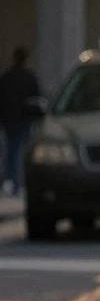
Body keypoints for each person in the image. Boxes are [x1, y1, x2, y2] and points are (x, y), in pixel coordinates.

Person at [0, 47, 41, 197]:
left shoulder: (7, 76)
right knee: (21, 151)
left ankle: (11, 180)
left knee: (11, 150)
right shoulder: (29, 77)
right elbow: (37, 96)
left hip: (9, 120)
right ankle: (18, 182)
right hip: (24, 119)